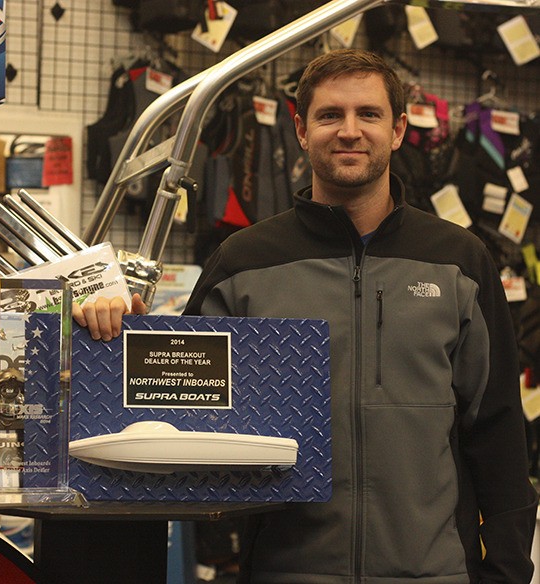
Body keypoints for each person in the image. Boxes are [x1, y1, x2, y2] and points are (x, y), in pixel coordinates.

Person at [75, 48, 538, 583]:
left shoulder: (459, 262)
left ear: (397, 130)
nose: (349, 131)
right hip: (287, 572)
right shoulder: (244, 264)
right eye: (329, 115)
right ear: (300, 130)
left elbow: (498, 431)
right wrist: (121, 340)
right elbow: (180, 420)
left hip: (436, 573)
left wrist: (506, 572)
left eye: (368, 114)